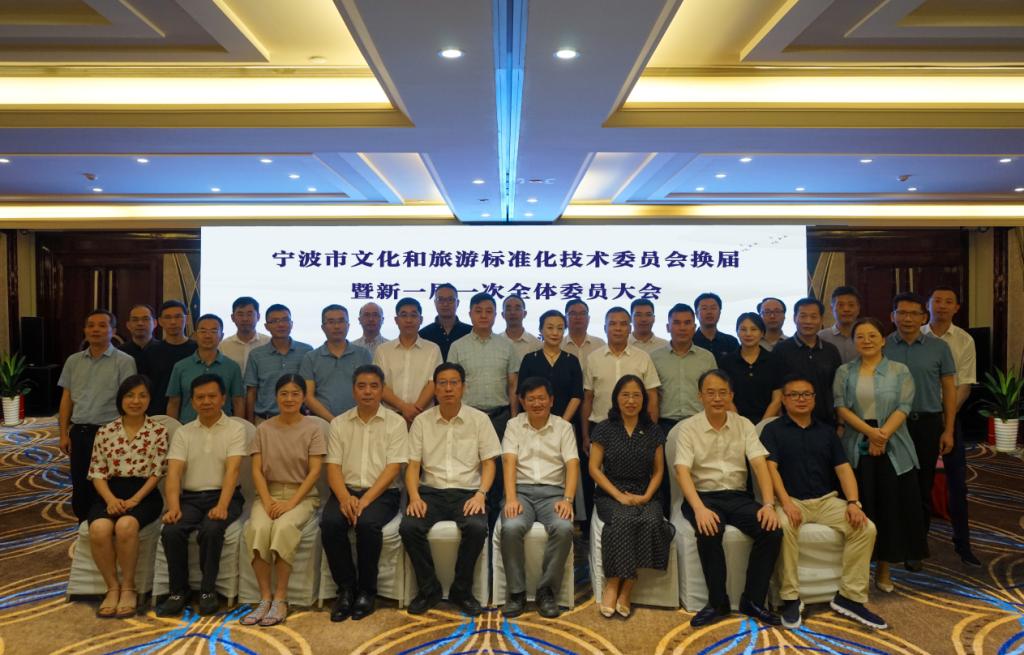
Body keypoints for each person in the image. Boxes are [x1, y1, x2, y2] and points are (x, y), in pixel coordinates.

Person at [761, 375, 886, 630]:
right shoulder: (772, 430)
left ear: (814, 399)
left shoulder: (827, 432)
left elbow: (843, 469)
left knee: (866, 528)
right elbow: (770, 469)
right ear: (784, 400)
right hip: (791, 500)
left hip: (826, 500)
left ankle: (850, 597)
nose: (801, 399)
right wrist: (785, 503)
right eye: (794, 394)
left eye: (806, 394)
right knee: (783, 527)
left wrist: (853, 502)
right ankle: (790, 598)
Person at [672, 369, 781, 627]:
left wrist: (768, 504)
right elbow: (681, 471)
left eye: (722, 392)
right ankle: (717, 602)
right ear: (700, 396)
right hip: (703, 496)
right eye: (710, 393)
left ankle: (753, 600)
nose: (717, 398)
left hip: (738, 496)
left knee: (772, 530)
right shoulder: (688, 428)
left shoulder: (744, 425)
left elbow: (760, 465)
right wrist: (699, 509)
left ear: (731, 395)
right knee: (709, 529)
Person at [399, 363, 501, 617]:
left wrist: (481, 494)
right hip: (430, 492)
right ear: (434, 389)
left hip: (468, 493)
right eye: (442, 383)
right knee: (409, 527)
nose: (448, 388)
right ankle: (429, 589)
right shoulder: (422, 422)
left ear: (463, 387)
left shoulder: (479, 420)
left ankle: (461, 590)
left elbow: (489, 463)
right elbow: (413, 466)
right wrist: (414, 497)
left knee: (476, 527)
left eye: (454, 383)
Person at [834, 317, 928, 592]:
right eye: (860, 337)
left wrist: (882, 435)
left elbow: (904, 406)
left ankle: (884, 570)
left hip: (894, 445)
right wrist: (870, 434)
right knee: (862, 509)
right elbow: (841, 407)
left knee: (890, 510)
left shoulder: (900, 371)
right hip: (856, 444)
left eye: (872, 335)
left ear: (883, 339)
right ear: (854, 342)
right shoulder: (844, 372)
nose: (866, 341)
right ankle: (860, 571)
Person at [321, 365, 407, 622]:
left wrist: (365, 500)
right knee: (331, 523)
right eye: (361, 386)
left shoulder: (396, 423)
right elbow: (332, 467)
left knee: (367, 524)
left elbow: (394, 468)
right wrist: (345, 498)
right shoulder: (339, 423)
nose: (367, 391)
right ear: (353, 390)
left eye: (373, 386)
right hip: (345, 491)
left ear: (382, 390)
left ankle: (367, 592)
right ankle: (346, 590)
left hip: (383, 493)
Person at [240, 373, 326, 627]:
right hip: (268, 494)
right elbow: (256, 470)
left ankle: (280, 598)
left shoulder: (313, 429)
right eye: (284, 394)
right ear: (276, 397)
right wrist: (267, 501)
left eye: (295, 394)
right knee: (257, 528)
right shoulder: (263, 429)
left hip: (302, 496)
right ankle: (264, 598)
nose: (289, 399)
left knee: (284, 527)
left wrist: (290, 504)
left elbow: (314, 472)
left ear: (304, 397)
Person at [158, 374, 246, 617]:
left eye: (212, 396)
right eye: (200, 397)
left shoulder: (236, 429)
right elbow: (174, 473)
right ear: (192, 401)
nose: (206, 401)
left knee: (212, 529)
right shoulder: (184, 432)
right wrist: (173, 507)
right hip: (190, 498)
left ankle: (208, 591)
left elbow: (233, 470)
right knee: (171, 530)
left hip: (226, 496)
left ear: (223, 398)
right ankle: (178, 591)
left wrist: (222, 505)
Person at [589, 374, 673, 618]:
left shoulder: (653, 430)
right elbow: (594, 468)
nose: (631, 400)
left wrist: (646, 496)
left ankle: (627, 586)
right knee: (622, 520)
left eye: (636, 395)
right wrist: (618, 495)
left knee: (651, 520)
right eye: (625, 395)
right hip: (610, 492)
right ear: (616, 398)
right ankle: (614, 583)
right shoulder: (604, 428)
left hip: (645, 491)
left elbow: (659, 471)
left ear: (644, 399)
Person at [884, 292, 956, 569]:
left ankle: (916, 545)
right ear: (892, 316)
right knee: (893, 484)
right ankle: (893, 542)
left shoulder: (939, 348)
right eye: (902, 313)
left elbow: (948, 388)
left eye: (914, 313)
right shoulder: (882, 345)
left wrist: (948, 429)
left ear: (924, 317)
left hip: (927, 423)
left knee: (922, 486)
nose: (908, 319)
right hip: (892, 425)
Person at [87, 374, 168, 618]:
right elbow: (97, 472)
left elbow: (157, 472)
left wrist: (135, 500)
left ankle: (129, 588)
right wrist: (110, 500)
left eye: (142, 396)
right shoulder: (105, 431)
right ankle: (113, 587)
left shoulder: (158, 431)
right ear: (121, 399)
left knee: (125, 525)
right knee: (99, 528)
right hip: (110, 492)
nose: (136, 401)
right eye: (130, 395)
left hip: (145, 494)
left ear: (150, 399)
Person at [500, 377, 578, 619]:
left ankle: (547, 592)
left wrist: (568, 500)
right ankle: (516, 593)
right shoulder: (514, 425)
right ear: (522, 401)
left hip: (553, 494)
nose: (537, 403)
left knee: (564, 527)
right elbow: (509, 462)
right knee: (511, 527)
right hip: (520, 492)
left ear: (551, 400)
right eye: (531, 399)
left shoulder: (563, 427)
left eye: (541, 398)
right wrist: (511, 498)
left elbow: (572, 465)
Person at [581, 307, 661, 529]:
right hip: (601, 429)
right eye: (613, 323)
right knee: (598, 480)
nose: (618, 328)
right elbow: (588, 398)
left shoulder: (642, 357)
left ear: (630, 328)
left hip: (637, 428)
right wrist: (586, 435)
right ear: (605, 327)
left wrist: (651, 431)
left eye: (623, 323)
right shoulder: (594, 358)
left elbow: (652, 396)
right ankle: (590, 532)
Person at [59, 309, 137, 523]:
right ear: (85, 330)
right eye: (91, 325)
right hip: (80, 432)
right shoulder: (73, 361)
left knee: (108, 484)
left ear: (113, 331)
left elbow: (130, 401)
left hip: (110, 433)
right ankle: (83, 525)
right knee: (81, 483)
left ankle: (105, 525)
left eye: (102, 325)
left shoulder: (124, 361)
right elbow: (67, 399)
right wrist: (63, 434)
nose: (96, 330)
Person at [447, 292, 520, 523]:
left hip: (499, 417)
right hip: (468, 417)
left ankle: (495, 522)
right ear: (470, 314)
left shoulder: (506, 346)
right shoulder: (458, 346)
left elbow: (513, 385)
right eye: (478, 311)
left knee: (497, 470)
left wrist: (514, 418)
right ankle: (472, 516)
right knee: (469, 467)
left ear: (496, 315)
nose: (483, 316)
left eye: (489, 311)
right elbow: (451, 383)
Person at [922, 286, 981, 566]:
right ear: (928, 305)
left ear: (957, 308)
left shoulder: (964, 340)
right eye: (937, 301)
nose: (942, 306)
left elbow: (965, 385)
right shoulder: (914, 335)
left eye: (948, 302)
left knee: (957, 483)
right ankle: (917, 542)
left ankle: (963, 544)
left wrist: (947, 418)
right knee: (919, 482)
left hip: (949, 418)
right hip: (918, 418)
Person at [651, 303, 716, 516]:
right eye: (677, 323)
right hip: (665, 424)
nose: (682, 327)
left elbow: (713, 392)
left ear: (694, 327)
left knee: (699, 474)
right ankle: (665, 521)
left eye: (687, 323)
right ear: (668, 327)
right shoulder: (655, 357)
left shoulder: (706, 357)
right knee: (665, 477)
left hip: (698, 424)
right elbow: (652, 396)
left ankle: (698, 516)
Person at [773, 297, 842, 426]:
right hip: (790, 423)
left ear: (821, 319)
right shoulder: (781, 350)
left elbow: (838, 390)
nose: (808, 321)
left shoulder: (831, 350)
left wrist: (840, 423)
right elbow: (776, 389)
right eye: (803, 316)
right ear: (795, 318)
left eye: (813, 317)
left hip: (827, 423)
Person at [374, 298, 443, 425]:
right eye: (404, 315)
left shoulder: (433, 349)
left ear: (421, 319)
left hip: (424, 417)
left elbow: (433, 382)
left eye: (413, 315)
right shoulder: (383, 350)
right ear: (396, 320)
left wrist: (415, 410)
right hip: (390, 418)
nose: (409, 320)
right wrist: (403, 407)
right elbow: (378, 384)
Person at [166, 314, 244, 424]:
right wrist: (173, 429)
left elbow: (238, 402)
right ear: (195, 335)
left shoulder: (232, 367)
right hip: (188, 427)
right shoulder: (180, 366)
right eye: (203, 331)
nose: (208, 336)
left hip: (223, 429)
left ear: (221, 336)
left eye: (213, 331)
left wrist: (239, 427)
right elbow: (173, 403)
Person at [300, 304, 372, 421]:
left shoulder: (363, 354)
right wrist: (333, 421)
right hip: (323, 422)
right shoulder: (311, 357)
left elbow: (371, 391)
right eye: (331, 322)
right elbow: (308, 397)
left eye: (341, 321)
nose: (337, 326)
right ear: (323, 327)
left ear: (348, 325)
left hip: (359, 421)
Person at [243, 304, 312, 423]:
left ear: (291, 324)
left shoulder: (306, 351)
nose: (281, 325)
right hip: (265, 419)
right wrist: (250, 422)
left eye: (285, 320)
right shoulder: (256, 355)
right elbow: (251, 391)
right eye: (274, 321)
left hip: (300, 420)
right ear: (266, 326)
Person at [517, 310, 584, 425]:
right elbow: (521, 393)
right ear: (541, 330)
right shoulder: (529, 359)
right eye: (550, 328)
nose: (555, 333)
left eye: (560, 328)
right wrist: (537, 420)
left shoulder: (572, 361)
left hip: (565, 424)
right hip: (533, 423)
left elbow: (576, 395)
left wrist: (562, 424)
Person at [720, 312, 783, 424]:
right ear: (737, 332)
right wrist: (740, 424)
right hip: (734, 422)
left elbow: (777, 399)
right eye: (743, 329)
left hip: (768, 424)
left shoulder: (774, 361)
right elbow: (725, 396)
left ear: (762, 333)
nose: (748, 334)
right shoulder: (727, 362)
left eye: (753, 329)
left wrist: (762, 425)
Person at [147, 300, 197, 415]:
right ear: (160, 321)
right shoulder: (151, 351)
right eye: (168, 317)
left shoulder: (196, 349)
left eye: (178, 317)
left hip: (191, 412)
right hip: (157, 413)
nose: (173, 322)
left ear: (187, 319)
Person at [419, 283, 472, 360]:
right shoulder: (423, 335)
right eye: (440, 299)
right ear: (435, 303)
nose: (445, 304)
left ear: (457, 303)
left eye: (450, 300)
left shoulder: (470, 332)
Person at [220, 297, 270, 377]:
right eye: (240, 314)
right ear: (232, 318)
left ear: (258, 316)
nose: (245, 319)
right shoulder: (223, 346)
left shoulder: (268, 343)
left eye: (249, 314)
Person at [561, 298, 605, 378]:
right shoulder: (559, 345)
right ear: (565, 318)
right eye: (573, 313)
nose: (578, 317)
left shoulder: (600, 344)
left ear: (588, 318)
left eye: (582, 313)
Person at [692, 292, 739, 364]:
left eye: (713, 308)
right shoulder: (690, 342)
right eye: (704, 308)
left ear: (720, 312)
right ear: (696, 314)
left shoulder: (731, 342)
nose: (709, 312)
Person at [819, 286, 861, 364]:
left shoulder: (867, 336)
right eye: (840, 305)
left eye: (851, 305)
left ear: (858, 309)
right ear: (831, 309)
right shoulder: (821, 337)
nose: (846, 309)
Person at [500, 295, 543, 363]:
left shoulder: (537, 345)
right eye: (508, 309)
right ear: (503, 314)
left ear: (525, 314)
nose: (512, 312)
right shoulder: (496, 342)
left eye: (517, 309)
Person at [119, 304, 159, 374]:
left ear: (155, 323)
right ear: (128, 325)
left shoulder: (164, 350)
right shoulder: (120, 353)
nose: (140, 323)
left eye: (145, 319)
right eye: (135, 320)